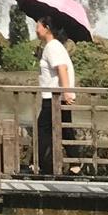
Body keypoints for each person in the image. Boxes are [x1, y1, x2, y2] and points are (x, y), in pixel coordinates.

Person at [33, 13, 75, 175]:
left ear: (47, 28)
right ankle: (75, 164)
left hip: (54, 97)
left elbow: (62, 69)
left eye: (38, 26)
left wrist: (66, 92)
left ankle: (42, 165)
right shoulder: (52, 46)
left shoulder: (53, 46)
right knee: (65, 129)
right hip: (55, 96)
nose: (36, 30)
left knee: (43, 130)